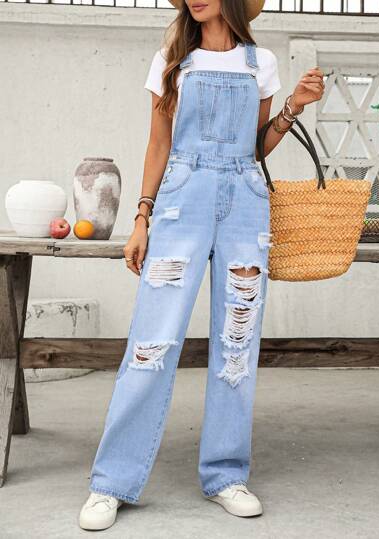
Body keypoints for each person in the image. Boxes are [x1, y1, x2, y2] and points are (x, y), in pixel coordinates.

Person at [79, 0, 324, 531]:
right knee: (151, 342)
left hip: (244, 204)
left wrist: (293, 107)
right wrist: (142, 218)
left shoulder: (260, 63)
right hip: (180, 203)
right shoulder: (172, 60)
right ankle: (111, 482)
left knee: (238, 342)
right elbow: (159, 143)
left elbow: (255, 147)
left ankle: (226, 475)